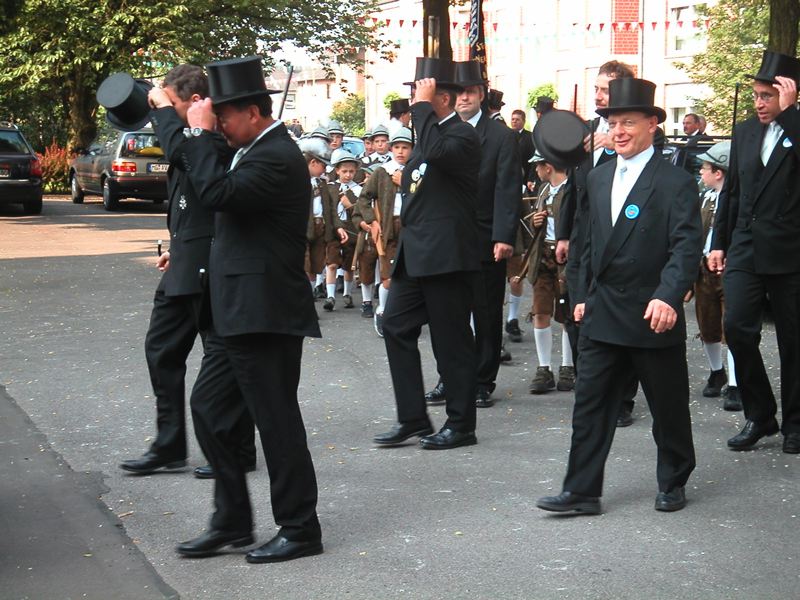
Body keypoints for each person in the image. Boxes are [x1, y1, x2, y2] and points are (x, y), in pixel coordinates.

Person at [173, 55, 323, 563]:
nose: (221, 128)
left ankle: (301, 528)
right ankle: (233, 519)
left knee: (276, 423)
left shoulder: (276, 155)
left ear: (254, 113)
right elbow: (220, 191)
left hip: (265, 312)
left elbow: (216, 192)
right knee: (210, 410)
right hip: (235, 312)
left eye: (226, 119)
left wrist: (197, 136)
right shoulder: (252, 148)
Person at [537, 78, 702, 515]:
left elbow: (686, 245)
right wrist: (582, 293)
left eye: (629, 121)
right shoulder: (597, 175)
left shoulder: (674, 181)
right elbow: (588, 243)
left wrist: (669, 296)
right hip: (604, 311)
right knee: (590, 406)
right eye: (613, 123)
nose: (620, 130)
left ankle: (673, 479)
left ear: (652, 124)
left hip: (654, 312)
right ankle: (581, 491)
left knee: (667, 409)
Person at [120, 64, 256, 479]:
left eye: (172, 103)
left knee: (223, 356)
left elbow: (183, 155)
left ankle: (236, 448)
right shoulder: (186, 137)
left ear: (197, 103)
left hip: (213, 265)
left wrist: (162, 112)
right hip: (186, 261)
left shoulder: (213, 137)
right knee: (162, 350)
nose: (164, 110)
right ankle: (169, 444)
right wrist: (177, 248)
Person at [373, 57, 482, 450]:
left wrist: (423, 108)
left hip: (447, 256)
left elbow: (436, 153)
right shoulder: (429, 138)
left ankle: (461, 424)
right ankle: (413, 417)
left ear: (444, 99)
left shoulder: (462, 136)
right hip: (416, 254)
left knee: (450, 342)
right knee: (396, 326)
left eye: (421, 93)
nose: (412, 100)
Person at [708, 51, 800, 454]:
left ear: (788, 94)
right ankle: (760, 415)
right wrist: (719, 242)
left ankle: (796, 424)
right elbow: (732, 192)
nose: (760, 103)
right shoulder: (745, 132)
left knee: (793, 342)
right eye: (757, 95)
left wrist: (791, 115)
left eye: (768, 96)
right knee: (740, 330)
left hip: (791, 252)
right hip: (745, 247)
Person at [424, 60, 519, 408]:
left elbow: (506, 189)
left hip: (484, 237)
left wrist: (504, 235)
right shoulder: (440, 129)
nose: (462, 98)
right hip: (447, 238)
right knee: (448, 313)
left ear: (481, 94)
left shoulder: (501, 136)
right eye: (456, 92)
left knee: (485, 312)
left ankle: (481, 380)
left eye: (469, 91)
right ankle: (450, 378)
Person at [556, 59, 639, 428]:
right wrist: (562, 233)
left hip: (620, 242)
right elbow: (572, 189)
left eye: (606, 89)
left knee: (619, 319)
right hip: (582, 239)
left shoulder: (640, 132)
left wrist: (614, 145)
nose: (598, 95)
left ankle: (622, 397)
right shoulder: (586, 131)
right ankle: (594, 388)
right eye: (596, 88)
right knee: (577, 314)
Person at [690, 141, 740, 410]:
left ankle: (736, 383)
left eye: (704, 168)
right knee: (707, 325)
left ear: (718, 172)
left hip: (729, 271)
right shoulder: (704, 198)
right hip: (704, 270)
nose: (700, 172)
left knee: (731, 327)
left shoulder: (735, 202)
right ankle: (716, 371)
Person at [352, 127, 414, 336]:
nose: (400, 151)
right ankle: (382, 310)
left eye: (405, 147)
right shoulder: (381, 172)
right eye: (396, 147)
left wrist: (405, 182)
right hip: (388, 229)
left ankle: (405, 312)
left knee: (410, 273)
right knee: (388, 274)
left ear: (412, 150)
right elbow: (363, 199)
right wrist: (372, 221)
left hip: (412, 228)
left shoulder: (417, 172)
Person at [526, 152, 574, 394]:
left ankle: (568, 366)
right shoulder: (545, 190)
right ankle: (544, 368)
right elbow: (537, 225)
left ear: (549, 166)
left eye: (538, 165)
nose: (536, 170)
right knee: (540, 311)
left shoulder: (572, 190)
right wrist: (537, 221)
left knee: (566, 314)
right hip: (543, 255)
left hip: (566, 258)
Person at [322, 149, 361, 311]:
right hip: (333, 231)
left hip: (350, 230)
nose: (348, 175)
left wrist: (349, 205)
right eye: (344, 171)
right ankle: (330, 296)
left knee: (348, 265)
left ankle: (347, 294)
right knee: (331, 263)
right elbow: (327, 209)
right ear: (337, 170)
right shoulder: (330, 188)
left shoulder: (358, 190)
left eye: (351, 171)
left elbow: (360, 212)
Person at [510, 109, 534, 187]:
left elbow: (533, 159)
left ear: (523, 121)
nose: (514, 121)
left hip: (525, 177)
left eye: (517, 119)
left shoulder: (530, 137)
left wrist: (531, 178)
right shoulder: (506, 135)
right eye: (513, 119)